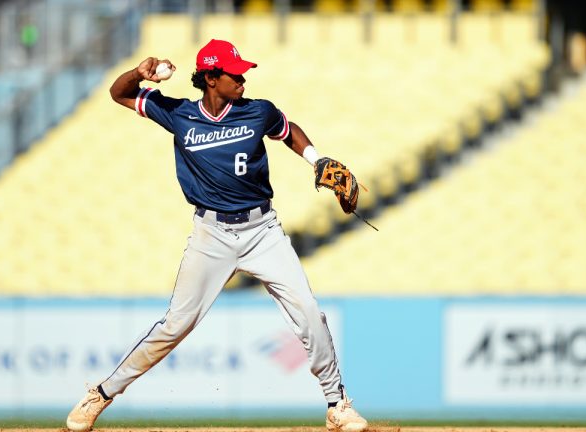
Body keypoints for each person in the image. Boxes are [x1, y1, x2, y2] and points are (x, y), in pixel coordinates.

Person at [65, 39, 369, 432]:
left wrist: (316, 158)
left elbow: (287, 129)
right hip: (211, 234)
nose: (242, 78)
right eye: (233, 72)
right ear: (211, 78)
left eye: (242, 72)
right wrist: (140, 73)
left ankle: (337, 405)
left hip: (262, 231)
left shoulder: (258, 111)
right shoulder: (176, 112)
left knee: (309, 312)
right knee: (176, 324)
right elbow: (118, 93)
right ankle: (102, 394)